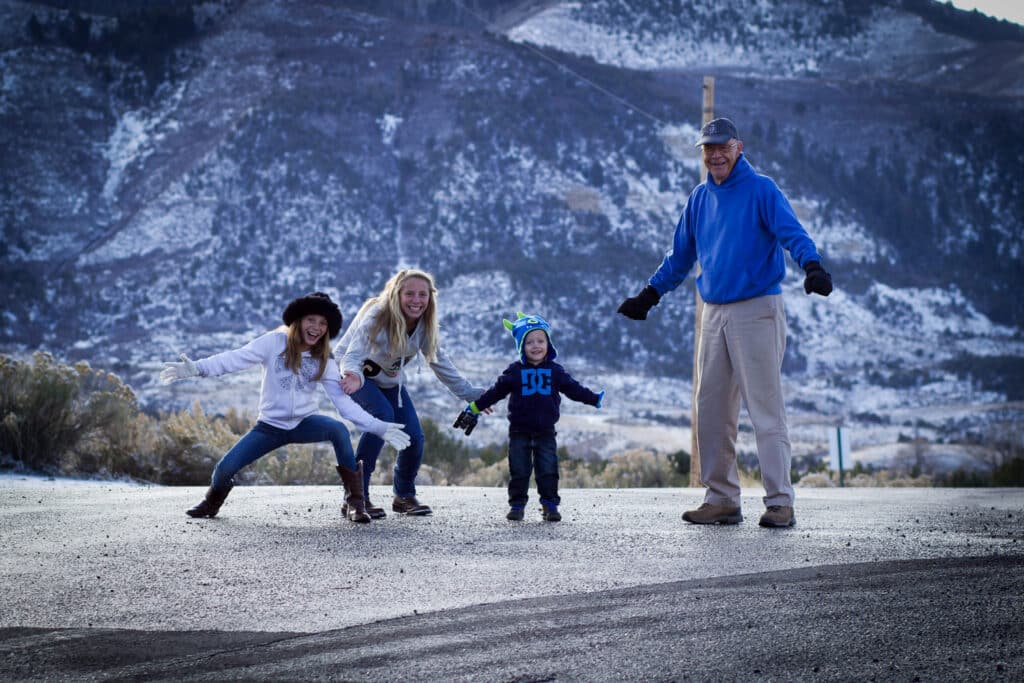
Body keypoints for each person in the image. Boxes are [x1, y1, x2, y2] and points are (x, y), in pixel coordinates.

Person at [617, 117, 833, 529]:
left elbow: (793, 233)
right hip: (712, 312)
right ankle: (721, 499)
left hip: (757, 310)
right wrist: (650, 295)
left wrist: (812, 265)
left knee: (765, 411)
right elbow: (680, 256)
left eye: (722, 147)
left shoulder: (762, 190)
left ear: (739, 147)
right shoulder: (699, 198)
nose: (715, 155)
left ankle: (780, 503)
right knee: (711, 410)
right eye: (708, 149)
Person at [159, 291, 411, 523]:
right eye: (311, 320)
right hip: (269, 427)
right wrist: (197, 368)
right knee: (224, 468)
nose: (317, 328)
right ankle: (211, 503)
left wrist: (378, 426)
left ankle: (355, 501)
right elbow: (234, 358)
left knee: (338, 429)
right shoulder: (273, 343)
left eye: (323, 323)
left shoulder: (324, 359)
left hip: (305, 423)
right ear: (298, 321)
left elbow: (344, 405)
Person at [337, 269, 485, 517]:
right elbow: (352, 354)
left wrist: (468, 393)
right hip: (356, 376)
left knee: (413, 437)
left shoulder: (425, 326)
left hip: (390, 382)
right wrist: (351, 373)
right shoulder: (377, 316)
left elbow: (440, 363)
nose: (416, 300)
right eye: (410, 294)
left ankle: (403, 496)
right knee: (381, 419)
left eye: (422, 295)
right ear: (397, 294)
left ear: (431, 298)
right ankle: (355, 497)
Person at [454, 313, 604, 522]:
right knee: (519, 470)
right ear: (521, 346)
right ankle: (517, 506)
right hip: (519, 432)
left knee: (548, 470)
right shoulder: (514, 372)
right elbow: (494, 393)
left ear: (548, 343)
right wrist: (474, 407)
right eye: (529, 342)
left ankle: (550, 505)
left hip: (546, 432)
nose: (536, 346)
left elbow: (574, 389)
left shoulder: (555, 371)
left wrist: (593, 398)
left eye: (540, 341)